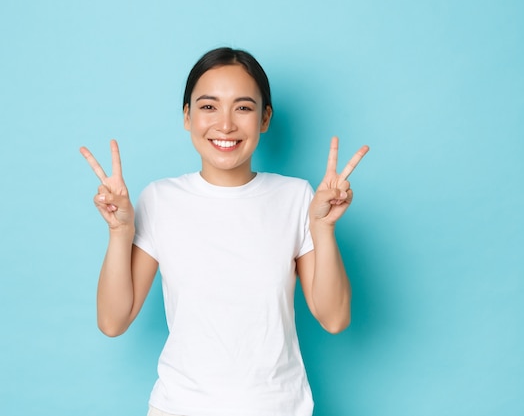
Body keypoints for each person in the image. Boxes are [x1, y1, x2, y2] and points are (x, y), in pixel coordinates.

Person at [80, 47, 369, 416]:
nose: (226, 124)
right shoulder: (159, 199)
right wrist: (120, 232)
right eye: (208, 106)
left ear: (265, 118)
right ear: (187, 116)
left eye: (244, 107)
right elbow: (112, 321)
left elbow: (334, 318)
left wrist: (323, 228)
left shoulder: (297, 197)